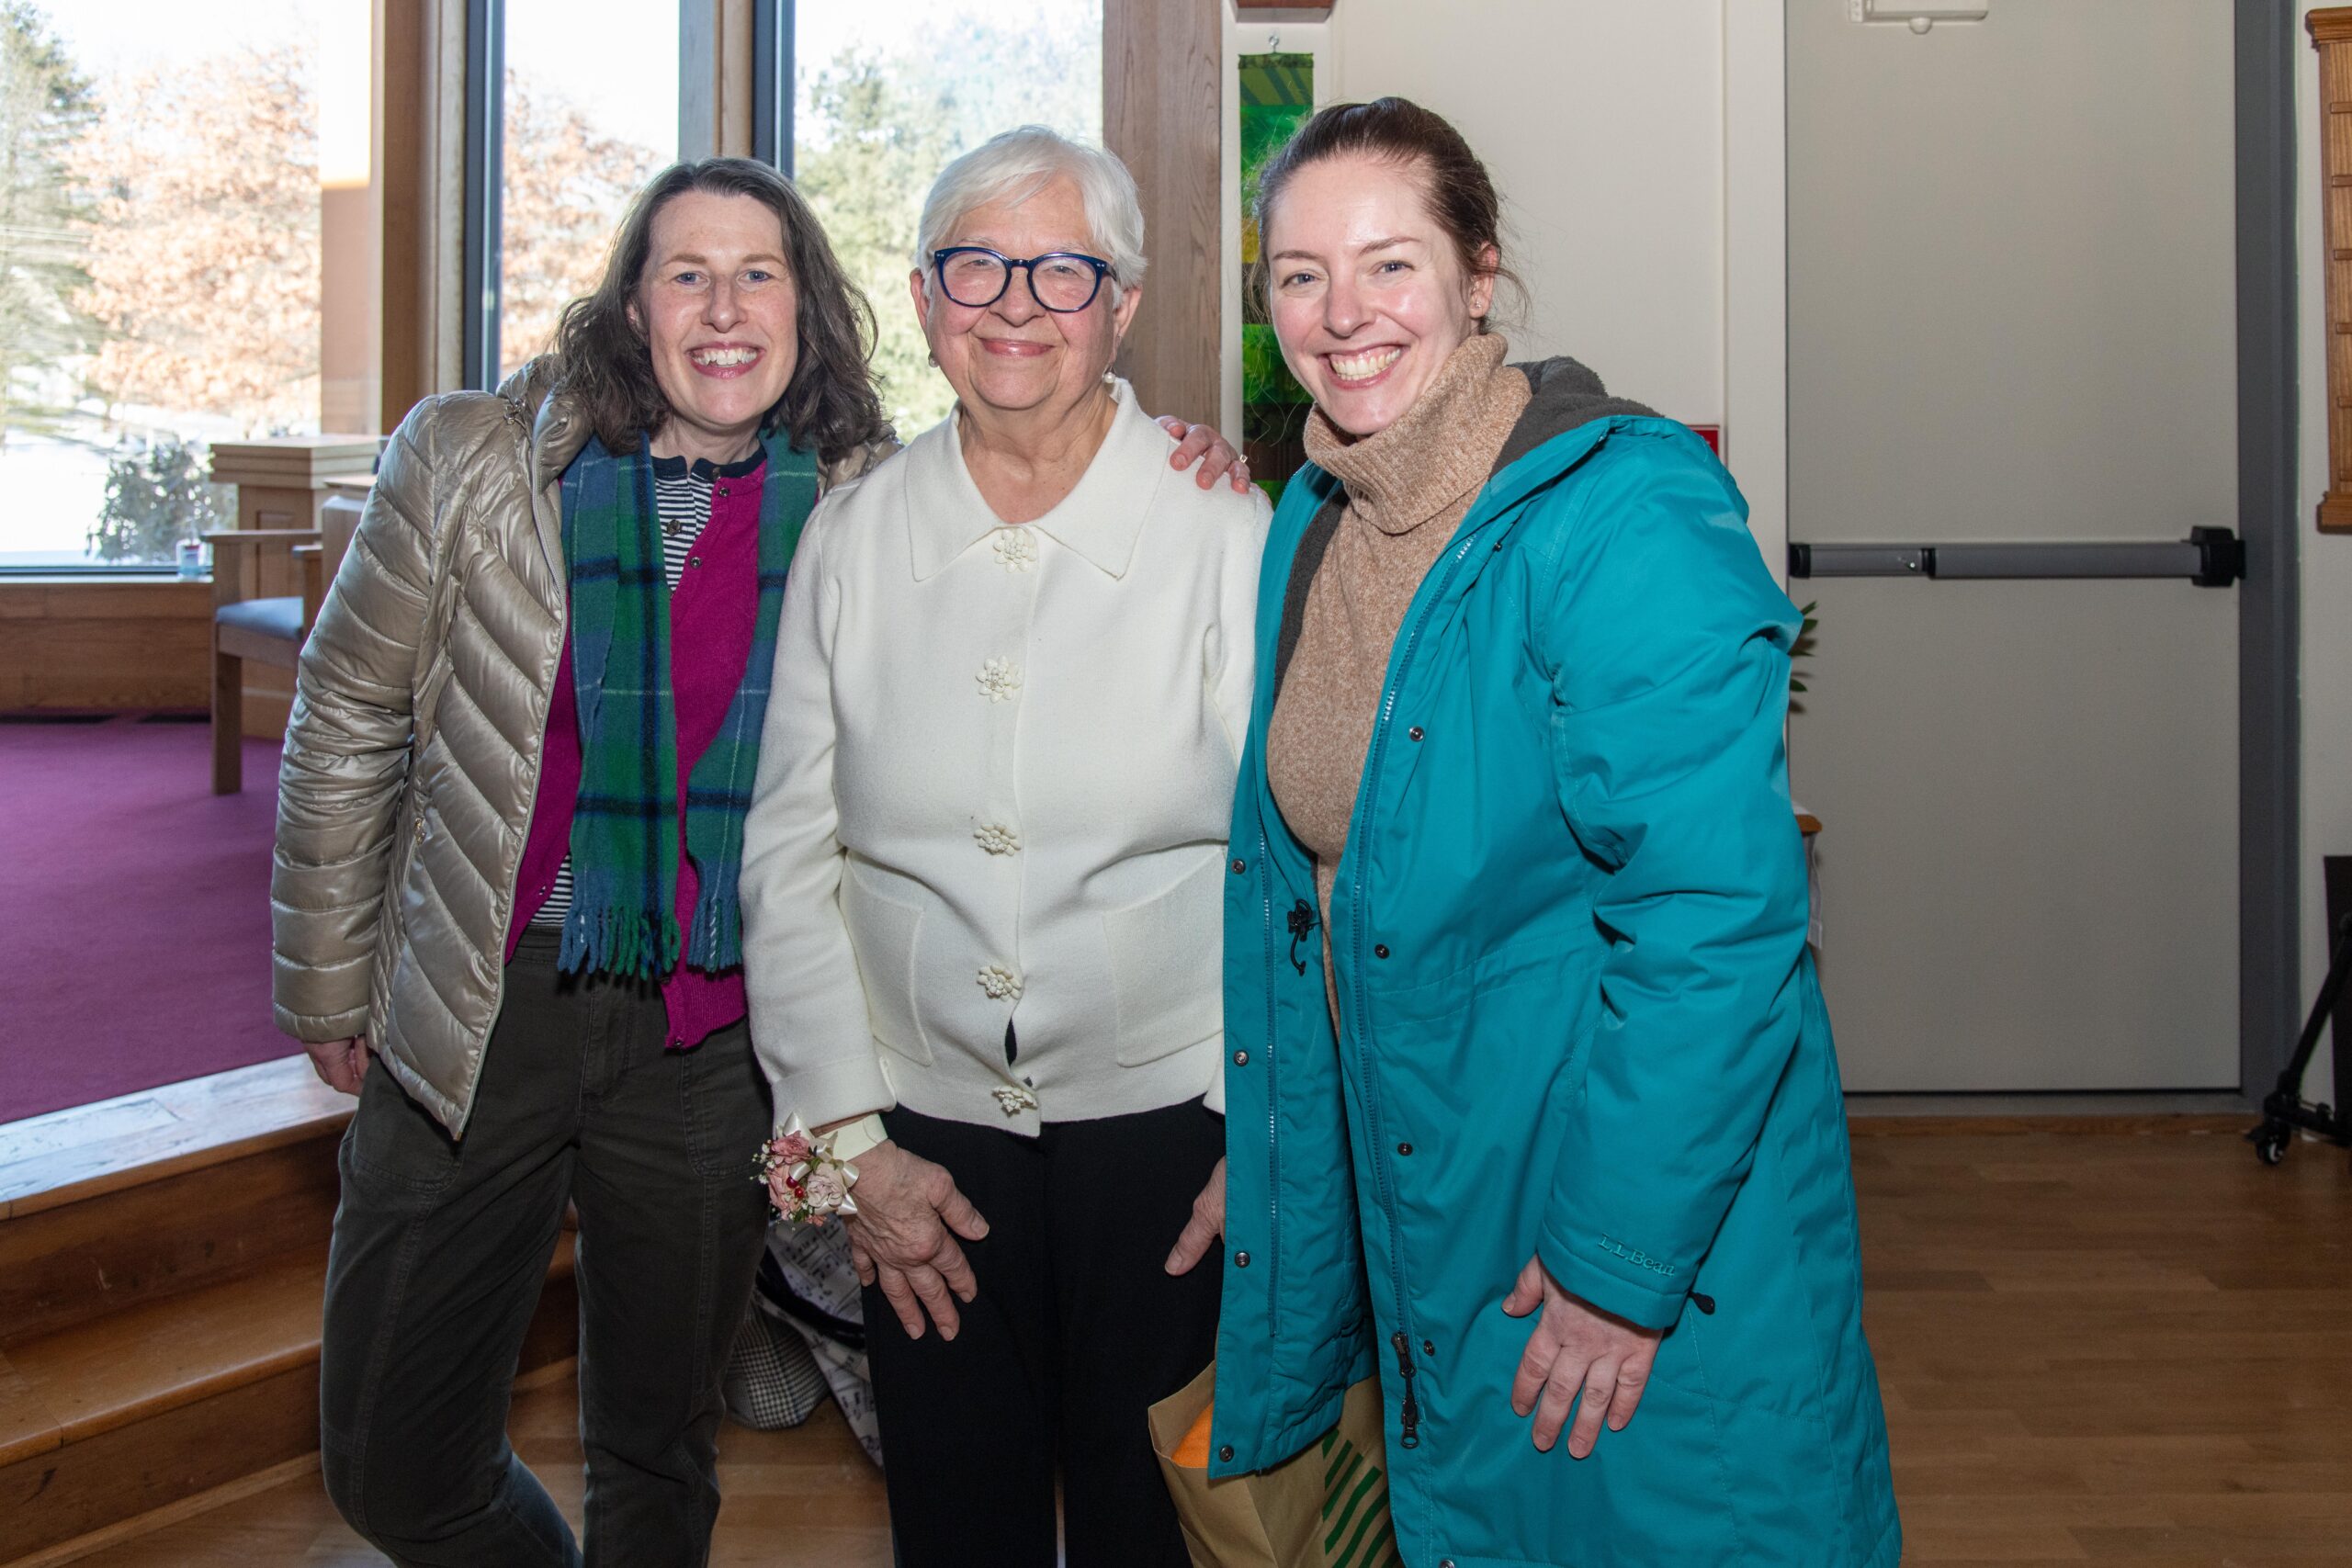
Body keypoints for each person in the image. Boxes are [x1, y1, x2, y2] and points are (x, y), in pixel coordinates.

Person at [271, 155, 1243, 1568]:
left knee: (658, 1449)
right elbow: (347, 711)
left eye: (759, 275)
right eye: (688, 274)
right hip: (487, 996)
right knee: (391, 1460)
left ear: (812, 307)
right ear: (634, 303)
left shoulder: (846, 493)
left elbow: (1043, 440)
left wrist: (1177, 452)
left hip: (706, 1030)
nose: (724, 309)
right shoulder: (478, 459)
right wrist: (328, 974)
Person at [1200, 99, 1902, 1567]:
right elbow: (1311, 896)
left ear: (1479, 276)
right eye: (1300, 275)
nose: (1342, 314)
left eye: (1390, 264)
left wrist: (1614, 1265)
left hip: (1621, 1215)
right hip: (1430, 1191)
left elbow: (1718, 923)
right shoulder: (1312, 520)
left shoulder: (1624, 509)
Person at [737, 126, 1268, 1568]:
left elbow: (1289, 857)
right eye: (976, 267)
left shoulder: (1223, 528)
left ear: (1124, 305)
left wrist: (1263, 1127)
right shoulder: (853, 537)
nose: (1017, 305)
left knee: (1153, 1528)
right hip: (921, 1137)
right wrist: (849, 1148)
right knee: (957, 1520)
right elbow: (788, 862)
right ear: (925, 299)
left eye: (1063, 271)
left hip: (1174, 1134)